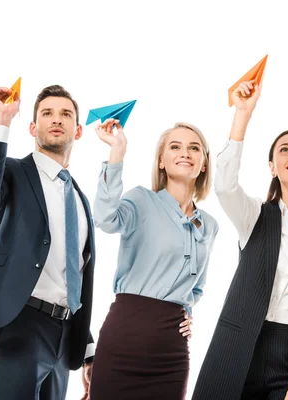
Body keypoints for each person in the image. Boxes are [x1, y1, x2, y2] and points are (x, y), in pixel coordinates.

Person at [192, 81, 288, 400]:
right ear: (272, 167)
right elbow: (224, 186)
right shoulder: (254, 216)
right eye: (285, 150)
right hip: (235, 349)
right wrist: (242, 115)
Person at [0, 85, 96, 400]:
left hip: (63, 337)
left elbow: (72, 278)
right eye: (47, 113)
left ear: (78, 130)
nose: (56, 120)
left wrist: (86, 348)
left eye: (65, 114)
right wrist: (2, 120)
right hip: (19, 322)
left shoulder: (78, 198)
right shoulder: (13, 173)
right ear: (33, 127)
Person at [89, 118, 219, 399]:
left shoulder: (209, 225)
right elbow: (104, 218)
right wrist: (117, 153)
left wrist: (188, 311)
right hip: (126, 337)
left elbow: (196, 287)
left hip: (172, 350)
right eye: (175, 146)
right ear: (162, 161)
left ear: (204, 163)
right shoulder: (141, 201)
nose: (185, 153)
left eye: (194, 148)